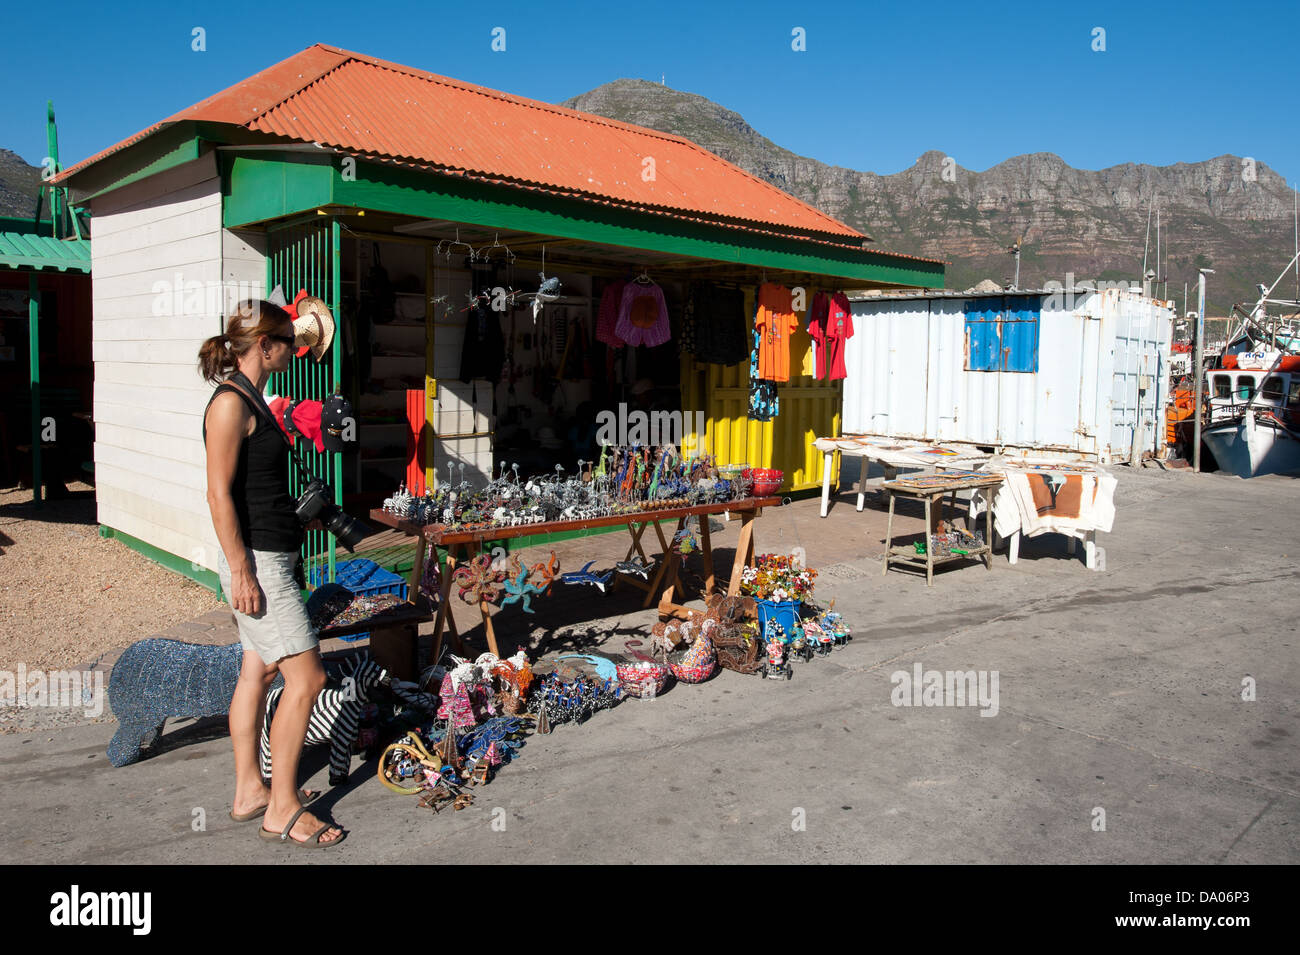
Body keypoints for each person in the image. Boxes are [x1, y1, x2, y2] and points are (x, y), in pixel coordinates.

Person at [197, 300, 345, 848]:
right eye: (288, 341)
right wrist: (241, 571)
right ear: (265, 346)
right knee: (307, 679)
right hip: (258, 564)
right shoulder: (230, 406)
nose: (296, 349)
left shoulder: (252, 397)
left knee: (256, 672)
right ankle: (282, 808)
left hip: (267, 557)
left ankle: (248, 792)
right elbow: (217, 495)